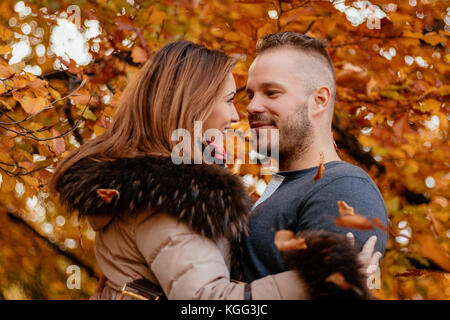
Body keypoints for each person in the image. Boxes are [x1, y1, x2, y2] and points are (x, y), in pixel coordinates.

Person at [50, 41, 378, 300]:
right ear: (193, 105)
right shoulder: (167, 196)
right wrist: (322, 282)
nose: (240, 114)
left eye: (271, 92)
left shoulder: (154, 188)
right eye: (231, 99)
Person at [238, 32, 388, 283]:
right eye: (251, 94)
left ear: (319, 100)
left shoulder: (344, 188)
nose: (252, 107)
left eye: (272, 93)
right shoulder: (288, 186)